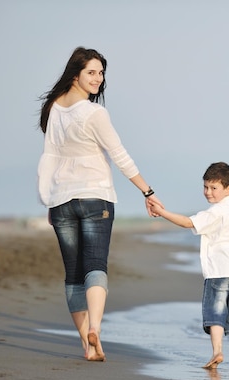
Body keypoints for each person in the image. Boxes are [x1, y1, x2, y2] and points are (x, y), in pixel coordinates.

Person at [37, 47, 164, 362]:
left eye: (101, 72)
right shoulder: (94, 113)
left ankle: (88, 344)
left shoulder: (54, 109)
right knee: (95, 266)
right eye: (91, 72)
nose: (98, 78)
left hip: (61, 201)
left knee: (73, 273)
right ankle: (95, 328)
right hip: (95, 196)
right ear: (76, 73)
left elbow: (49, 158)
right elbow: (120, 155)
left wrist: (48, 199)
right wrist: (148, 192)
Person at [149, 162, 229, 370]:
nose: (208, 192)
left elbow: (187, 222)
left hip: (219, 271)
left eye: (213, 188)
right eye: (206, 187)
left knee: (216, 312)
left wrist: (163, 212)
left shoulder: (216, 212)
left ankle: (217, 351)